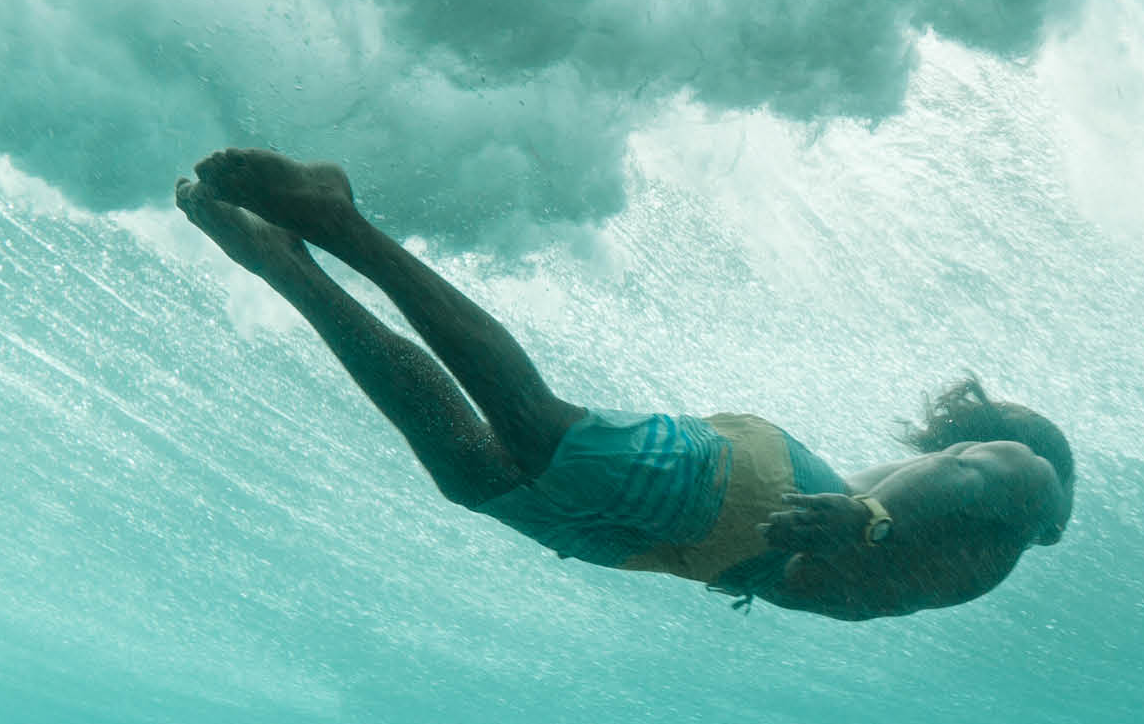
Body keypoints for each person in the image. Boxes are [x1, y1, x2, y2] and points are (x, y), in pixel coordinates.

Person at [175, 151, 1072, 619]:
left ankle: (284, 263)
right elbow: (976, 477)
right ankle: (335, 220)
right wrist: (868, 519)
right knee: (533, 426)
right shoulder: (1028, 482)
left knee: (476, 474)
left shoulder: (985, 550)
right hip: (751, 496)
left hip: (711, 557)